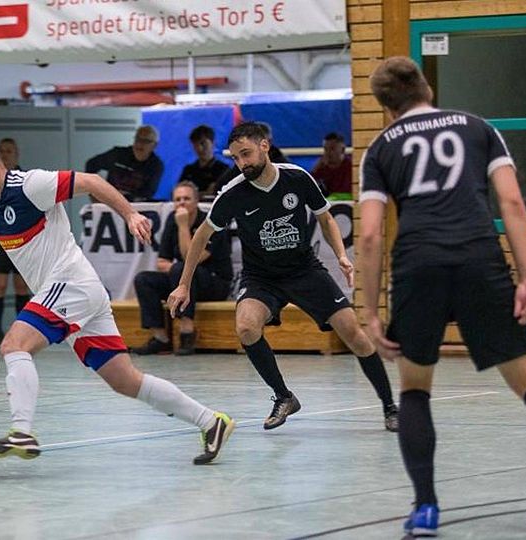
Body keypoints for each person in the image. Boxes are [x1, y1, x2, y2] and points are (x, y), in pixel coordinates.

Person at [0, 134, 234, 465]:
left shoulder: (31, 185)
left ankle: (21, 432)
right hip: (77, 292)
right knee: (124, 380)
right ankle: (211, 421)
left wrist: (130, 214)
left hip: (70, 283)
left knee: (14, 345)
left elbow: (91, 181)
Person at [358, 56, 526, 537]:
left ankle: (426, 509)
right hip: (480, 259)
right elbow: (512, 202)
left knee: (414, 390)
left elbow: (370, 235)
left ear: (384, 107)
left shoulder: (379, 149)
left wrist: (370, 311)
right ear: (426, 89)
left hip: (418, 268)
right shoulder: (480, 128)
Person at [168, 121, 398, 432]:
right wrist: (184, 284)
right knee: (246, 327)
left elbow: (326, 217)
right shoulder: (233, 193)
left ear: (264, 146)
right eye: (235, 158)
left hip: (304, 270)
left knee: (354, 334)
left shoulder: (297, 177)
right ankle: (283, 396)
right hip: (261, 276)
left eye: (246, 154)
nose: (242, 163)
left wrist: (343, 256)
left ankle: (389, 407)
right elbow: (201, 236)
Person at [131, 181, 232, 356]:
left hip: (215, 282)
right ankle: (160, 338)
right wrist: (176, 268)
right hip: (182, 280)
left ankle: (187, 331)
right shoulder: (173, 219)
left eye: (186, 198)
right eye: (177, 199)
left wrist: (184, 226)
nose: (182, 203)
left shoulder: (211, 222)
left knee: (181, 268)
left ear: (196, 201)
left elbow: (191, 259)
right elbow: (162, 261)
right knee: (144, 279)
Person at [0, 138, 30, 345]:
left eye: (9, 151)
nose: (5, 154)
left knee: (22, 286)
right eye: (1, 151)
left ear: (17, 153)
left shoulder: (24, 178)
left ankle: (20, 332)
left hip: (22, 238)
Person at [85, 125, 164, 202]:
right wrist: (94, 192)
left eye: (145, 141)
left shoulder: (155, 165)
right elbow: (91, 164)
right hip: (109, 203)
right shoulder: (118, 154)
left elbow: (147, 194)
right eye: (137, 139)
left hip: (134, 207)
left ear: (154, 145)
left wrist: (124, 196)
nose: (139, 144)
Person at [179, 125, 231, 198]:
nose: (200, 148)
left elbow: (220, 194)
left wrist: (193, 193)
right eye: (195, 145)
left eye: (203, 143)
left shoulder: (224, 170)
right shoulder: (188, 170)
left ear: (212, 143)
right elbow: (179, 192)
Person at [311, 132, 352, 199]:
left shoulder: (351, 166)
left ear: (342, 149)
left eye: (332, 149)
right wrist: (315, 169)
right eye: (326, 149)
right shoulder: (321, 168)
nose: (328, 153)